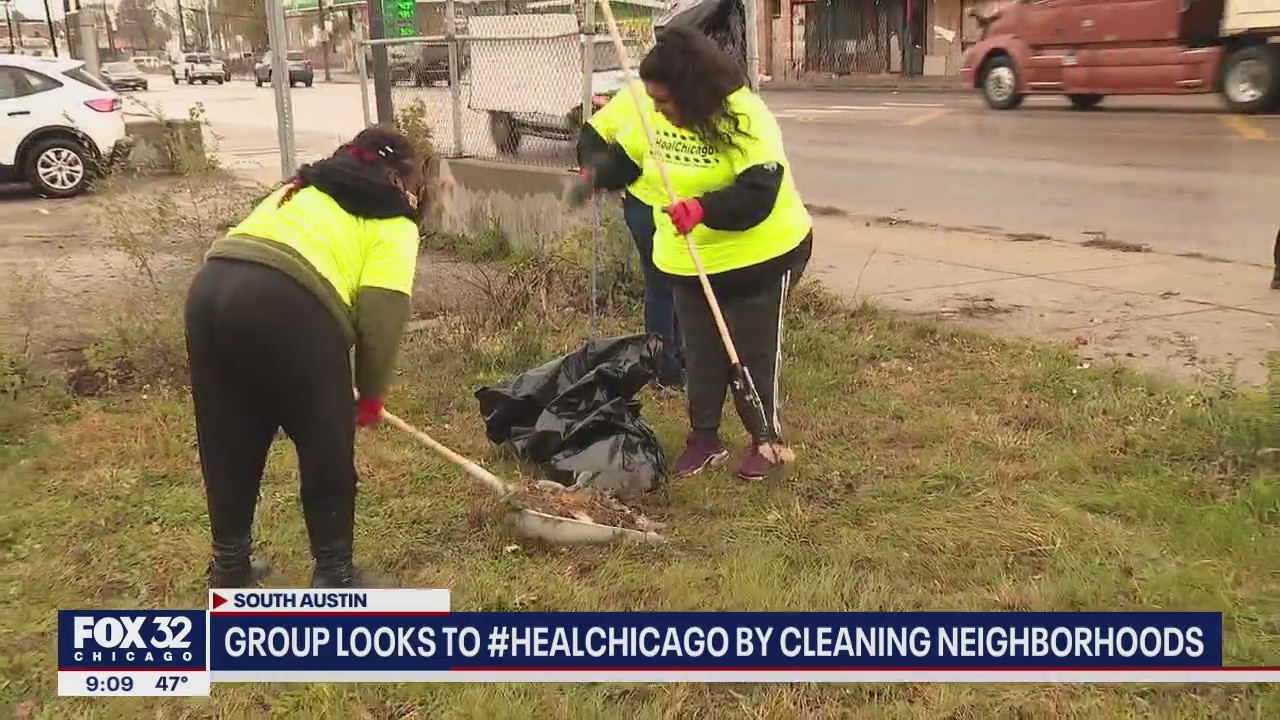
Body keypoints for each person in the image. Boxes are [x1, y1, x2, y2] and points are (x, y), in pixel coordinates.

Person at [184, 127, 427, 589]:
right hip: (287, 303)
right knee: (325, 446)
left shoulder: (299, 189)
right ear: (397, 178)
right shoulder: (392, 220)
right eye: (413, 183)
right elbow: (383, 312)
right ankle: (334, 575)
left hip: (210, 289)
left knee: (228, 437)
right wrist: (371, 393)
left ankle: (229, 566)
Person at [582, 26, 812, 481]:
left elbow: (760, 190)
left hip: (762, 255)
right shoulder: (653, 114)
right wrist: (595, 173)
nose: (659, 110)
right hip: (688, 258)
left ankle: (767, 441)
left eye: (666, 101)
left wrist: (703, 209)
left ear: (692, 90)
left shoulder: (743, 114)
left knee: (753, 349)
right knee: (703, 352)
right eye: (655, 102)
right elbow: (627, 161)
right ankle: (704, 438)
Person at [577, 84, 686, 389]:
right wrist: (595, 170)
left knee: (674, 285)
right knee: (666, 286)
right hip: (654, 208)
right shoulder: (642, 93)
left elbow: (593, 132)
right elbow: (595, 132)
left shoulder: (657, 91)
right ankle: (665, 367)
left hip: (675, 207)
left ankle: (675, 361)